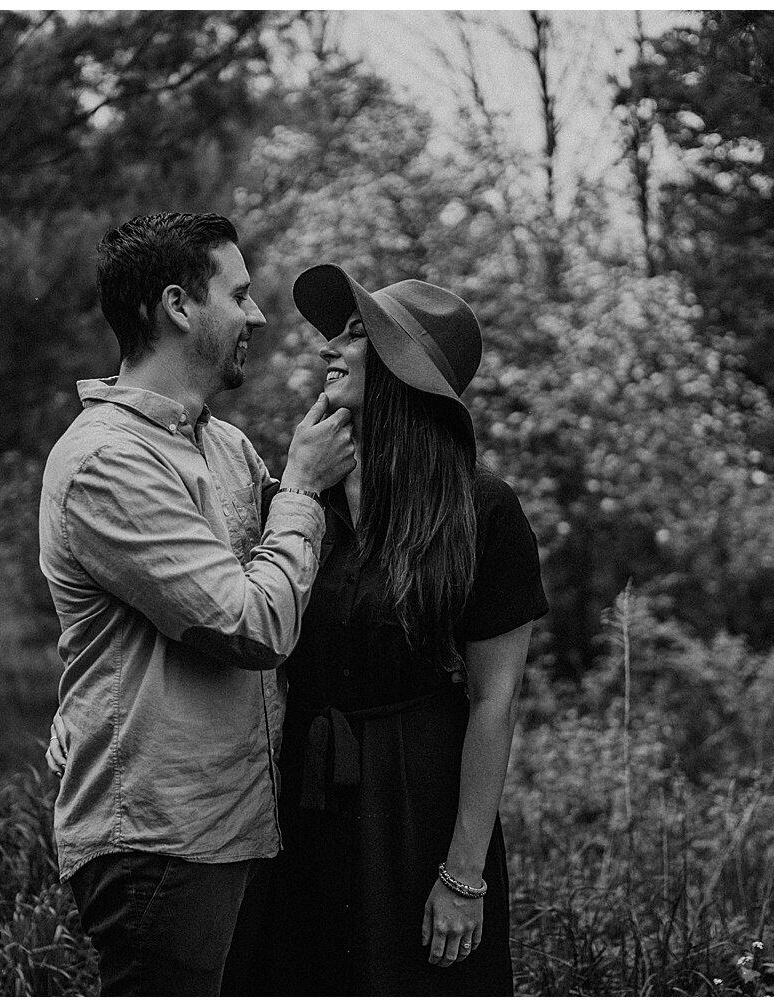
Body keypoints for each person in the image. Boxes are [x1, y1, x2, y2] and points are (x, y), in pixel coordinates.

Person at [37, 213, 355, 996]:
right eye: (239, 294)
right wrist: (306, 487)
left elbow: (300, 573)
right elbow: (253, 623)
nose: (256, 314)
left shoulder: (224, 447)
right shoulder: (107, 460)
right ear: (178, 305)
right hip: (162, 842)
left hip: (243, 823)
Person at [221, 264, 548, 995]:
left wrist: (463, 874)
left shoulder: (481, 510)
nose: (327, 349)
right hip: (305, 807)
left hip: (417, 807)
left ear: (403, 370)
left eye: (354, 335)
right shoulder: (301, 498)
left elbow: (496, 700)